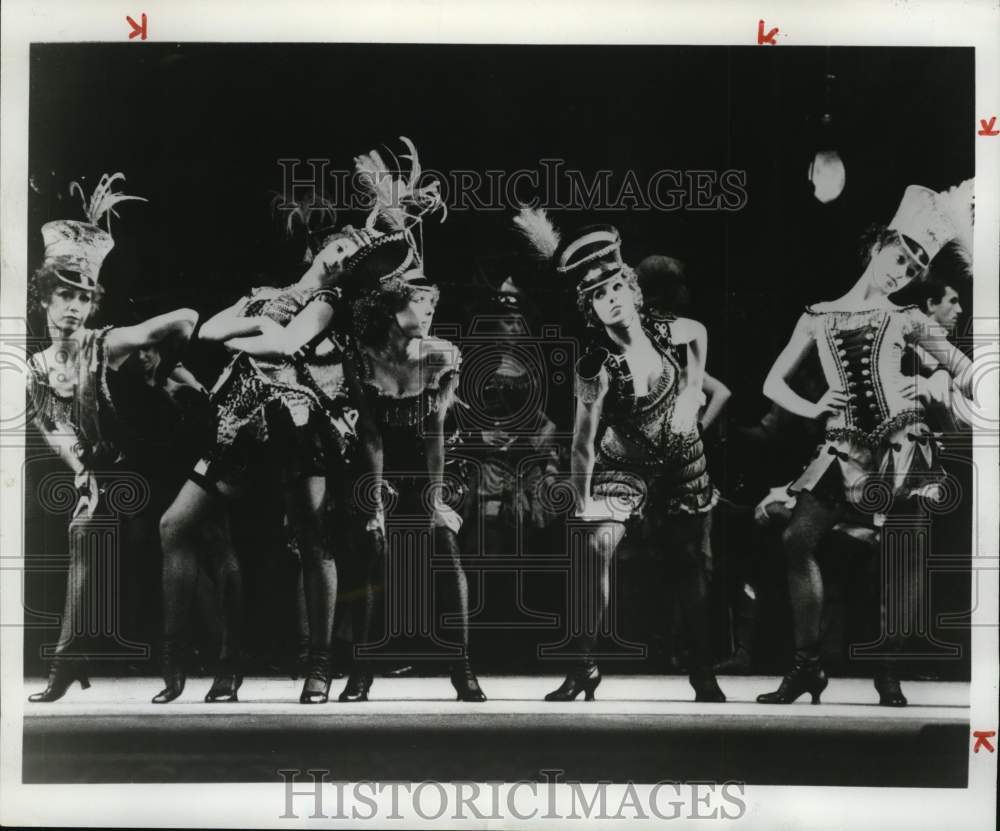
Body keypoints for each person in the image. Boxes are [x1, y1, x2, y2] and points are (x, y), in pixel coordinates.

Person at [756, 179, 975, 707]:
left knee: (904, 554)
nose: (900, 272)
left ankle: (889, 669)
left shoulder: (910, 318)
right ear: (878, 246)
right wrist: (813, 407)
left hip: (903, 445)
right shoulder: (819, 315)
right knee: (796, 539)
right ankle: (807, 666)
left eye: (910, 268)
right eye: (898, 258)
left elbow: (967, 371)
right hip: (843, 448)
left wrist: (933, 385)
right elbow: (772, 382)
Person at [153, 222, 377, 704]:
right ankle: (208, 664)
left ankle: (319, 667)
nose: (341, 257)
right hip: (235, 423)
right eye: (339, 246)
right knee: (177, 525)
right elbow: (208, 329)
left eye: (351, 256)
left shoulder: (330, 305)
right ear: (321, 248)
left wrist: (246, 335)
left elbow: (284, 344)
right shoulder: (265, 293)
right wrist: (257, 328)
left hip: (296, 424)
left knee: (313, 540)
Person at [514, 211, 726, 703]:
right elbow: (582, 444)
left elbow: (699, 335)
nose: (610, 300)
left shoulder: (670, 331)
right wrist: (582, 499)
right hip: (621, 466)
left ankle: (702, 671)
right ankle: (583, 665)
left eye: (615, 289)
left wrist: (693, 394)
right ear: (589, 307)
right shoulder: (597, 367)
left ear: (633, 289)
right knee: (595, 551)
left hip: (681, 461)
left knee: (688, 561)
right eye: (598, 295)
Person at [27, 173, 201, 702]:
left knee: (199, 551)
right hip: (108, 468)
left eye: (84, 297)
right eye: (64, 295)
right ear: (44, 298)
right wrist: (81, 470)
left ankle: (195, 662)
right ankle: (67, 661)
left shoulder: (109, 342)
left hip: (164, 454)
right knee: (87, 539)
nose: (74, 307)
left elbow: (187, 318)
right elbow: (50, 425)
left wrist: (159, 368)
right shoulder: (35, 366)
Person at [335, 139, 487, 702]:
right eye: (421, 302)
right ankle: (360, 671)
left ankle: (463, 667)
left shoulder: (441, 355)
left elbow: (436, 433)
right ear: (392, 304)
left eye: (434, 303)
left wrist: (434, 499)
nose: (430, 310)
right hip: (378, 463)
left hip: (432, 461)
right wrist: (375, 502)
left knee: (442, 545)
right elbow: (371, 436)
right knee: (369, 551)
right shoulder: (362, 357)